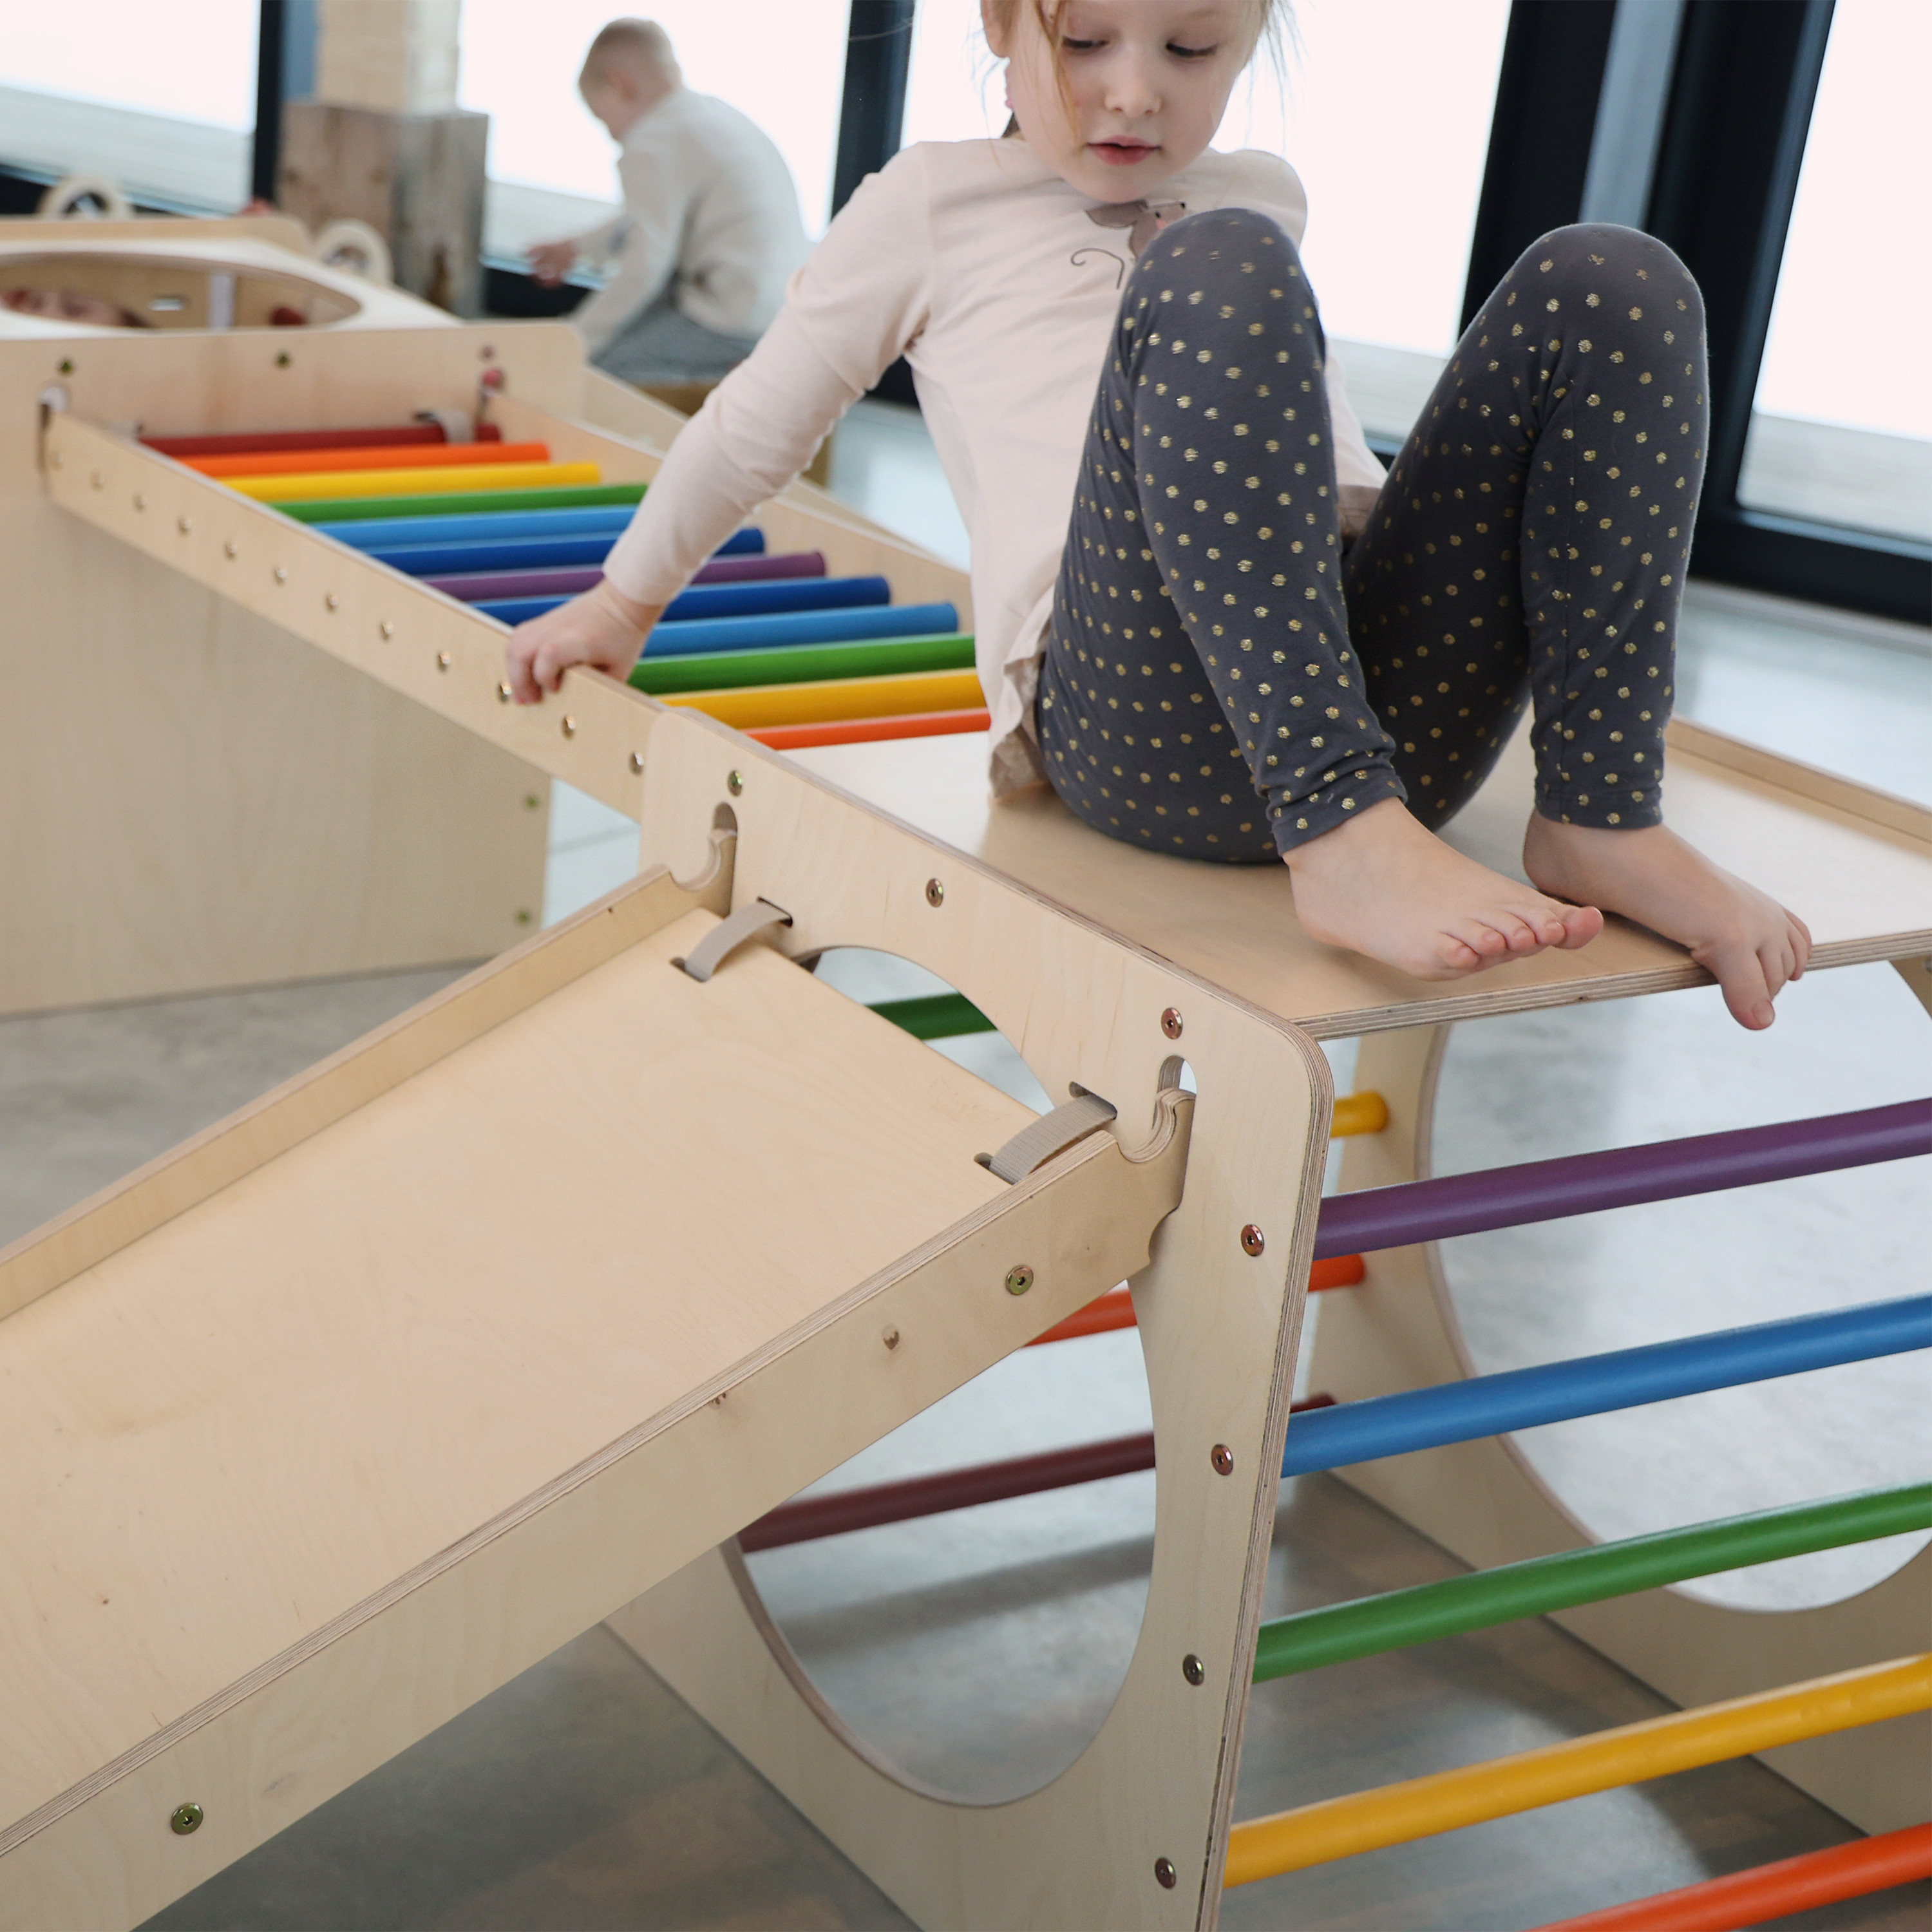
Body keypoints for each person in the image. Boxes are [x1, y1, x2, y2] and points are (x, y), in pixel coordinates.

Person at [506, 0, 1810, 1031]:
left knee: (1615, 280)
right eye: (1085, 43)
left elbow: (1314, 453)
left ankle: (1597, 813)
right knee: (1217, 261)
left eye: (1193, 47)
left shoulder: (1259, 192)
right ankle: (1343, 834)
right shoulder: (931, 203)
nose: (1136, 90)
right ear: (999, 20)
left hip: (1371, 689)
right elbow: (753, 423)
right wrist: (624, 600)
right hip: (1133, 721)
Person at [528, 17, 810, 387]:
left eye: (603, 118)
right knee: (627, 329)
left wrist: (574, 344)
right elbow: (646, 220)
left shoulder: (652, 142)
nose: (611, 135)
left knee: (602, 375)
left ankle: (736, 376)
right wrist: (577, 247)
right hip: (778, 310)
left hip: (729, 320)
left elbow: (643, 268)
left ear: (620, 84)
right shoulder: (704, 116)